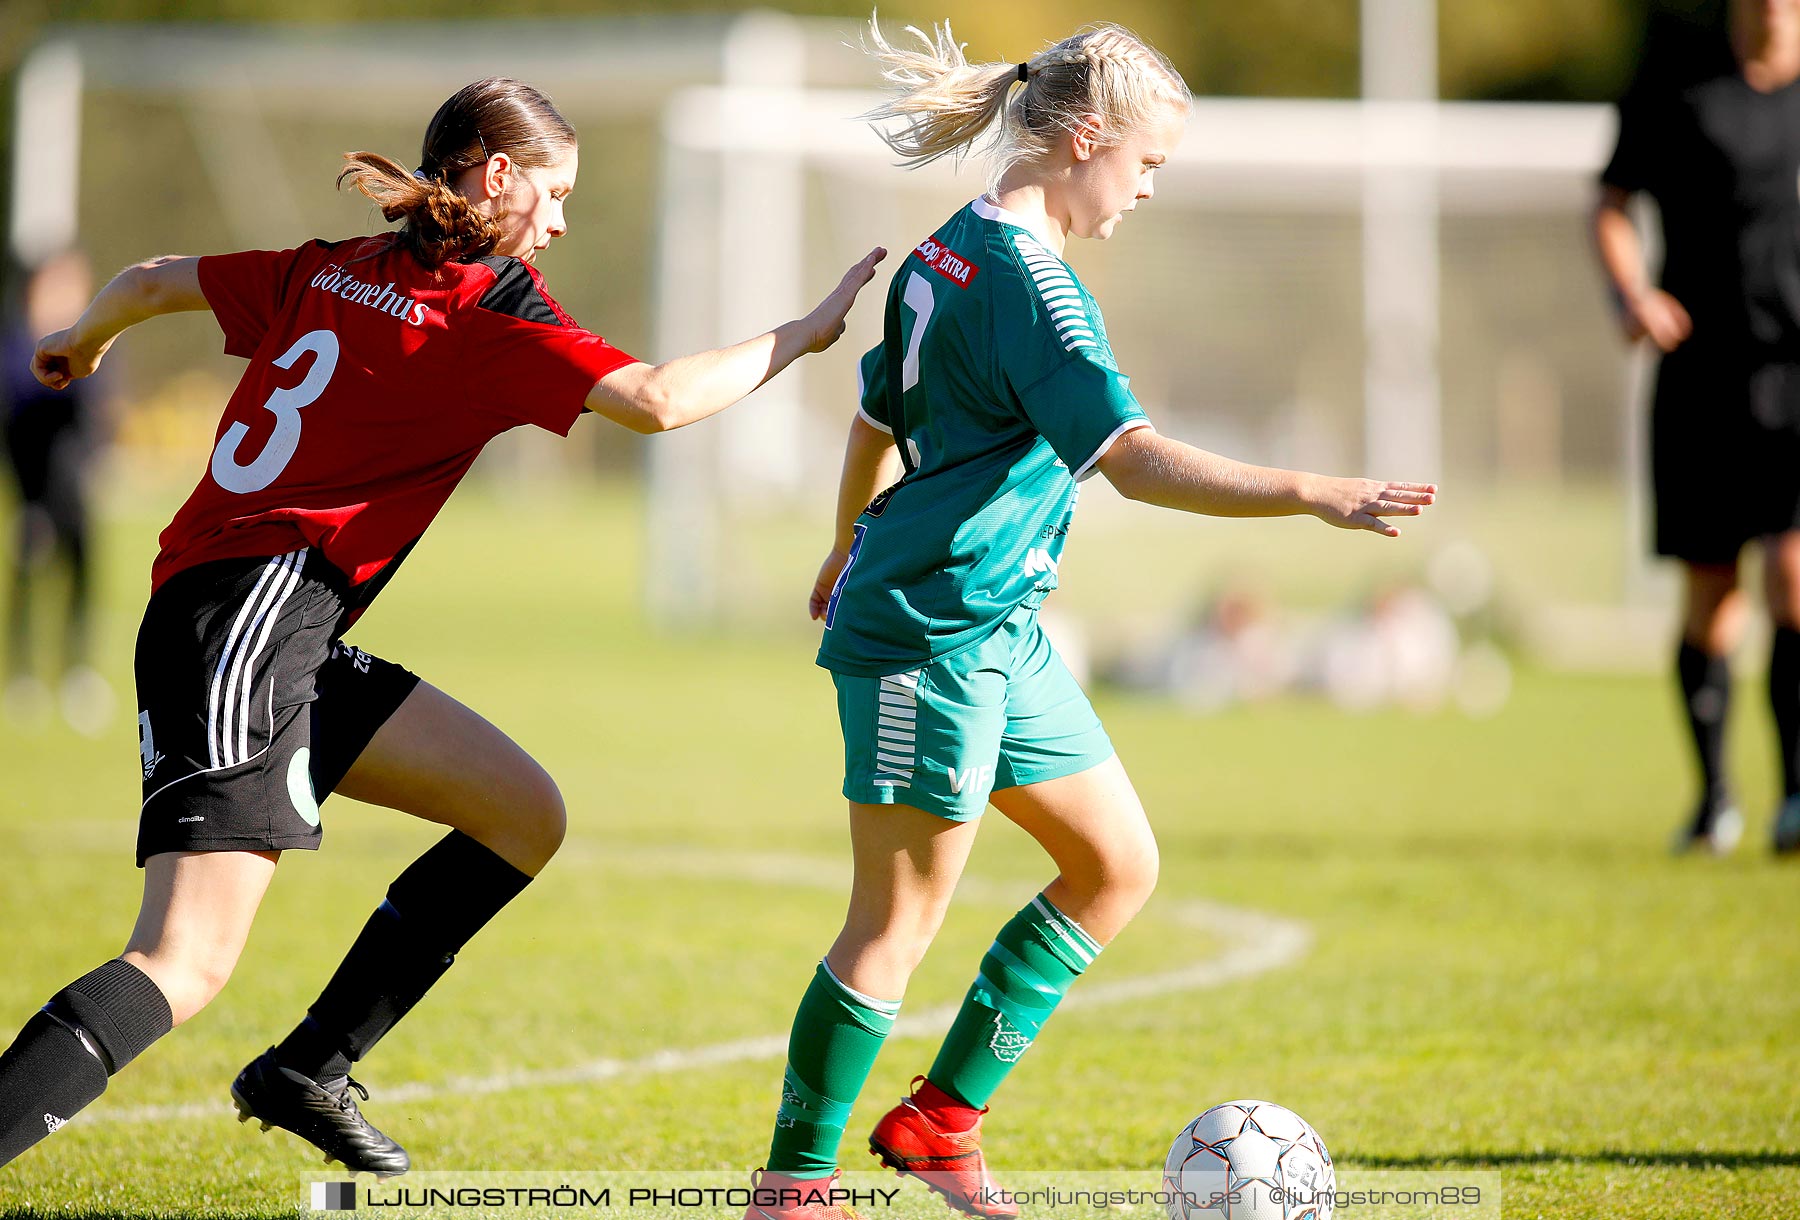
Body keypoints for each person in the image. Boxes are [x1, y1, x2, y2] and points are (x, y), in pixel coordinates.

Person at [0, 76, 884, 1175]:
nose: (559, 220)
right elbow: (656, 399)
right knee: (182, 956)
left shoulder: (333, 264)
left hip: (263, 622)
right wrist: (802, 334)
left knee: (521, 813)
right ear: (496, 173)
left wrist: (81, 340)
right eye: (553, 192)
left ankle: (309, 1065)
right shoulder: (485, 308)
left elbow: (147, 279)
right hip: (252, 622)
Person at [742, 21, 1435, 1220]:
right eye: (1149, 164)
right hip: (929, 628)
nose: (1151, 189)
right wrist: (1311, 491)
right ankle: (795, 1185)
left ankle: (938, 1121)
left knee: (1117, 864)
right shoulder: (1035, 290)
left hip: (996, 626)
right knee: (894, 922)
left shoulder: (945, 252)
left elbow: (872, 419)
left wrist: (843, 533)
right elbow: (1135, 462)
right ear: (1082, 141)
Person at [1593, 0, 1800, 855]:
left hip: (1795, 375)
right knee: (1713, 596)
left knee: (1793, 575)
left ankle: (1796, 799)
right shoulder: (1680, 84)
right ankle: (1714, 797)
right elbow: (1610, 202)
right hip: (1703, 374)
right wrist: (1632, 294)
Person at [1, 250, 113, 733]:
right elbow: (12, 421)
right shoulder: (16, 344)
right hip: (34, 492)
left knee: (82, 582)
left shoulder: (93, 342)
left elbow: (97, 415)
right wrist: (25, 499)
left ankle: (76, 672)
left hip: (77, 492)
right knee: (27, 583)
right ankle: (22, 675)